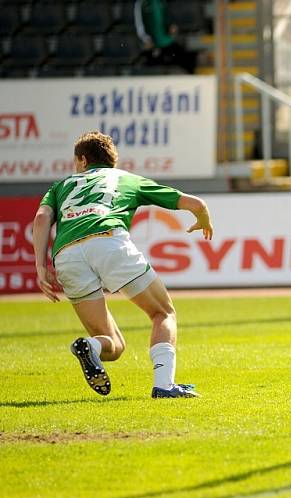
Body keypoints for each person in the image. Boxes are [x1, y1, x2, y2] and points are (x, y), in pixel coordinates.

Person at [32, 131, 213, 399]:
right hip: (108, 243)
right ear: (111, 162)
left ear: (82, 160)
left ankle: (91, 346)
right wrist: (204, 219)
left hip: (66, 255)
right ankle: (164, 385)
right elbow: (195, 203)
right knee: (163, 313)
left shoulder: (61, 186)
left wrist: (40, 266)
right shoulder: (126, 179)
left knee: (112, 346)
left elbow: (40, 218)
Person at [134, 0, 198, 73]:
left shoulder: (161, 2)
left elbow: (167, 17)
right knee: (148, 63)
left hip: (167, 40)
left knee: (185, 58)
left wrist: (171, 27)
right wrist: (146, 39)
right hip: (152, 43)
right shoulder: (141, 3)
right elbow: (139, 24)